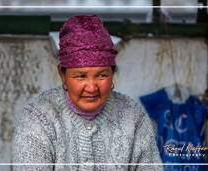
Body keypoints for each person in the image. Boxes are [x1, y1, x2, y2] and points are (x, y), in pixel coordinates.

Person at [13, 15, 163, 171]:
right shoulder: (37, 116)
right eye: (81, 76)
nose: (91, 88)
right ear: (62, 74)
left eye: (101, 75)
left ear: (112, 73)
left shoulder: (132, 115)